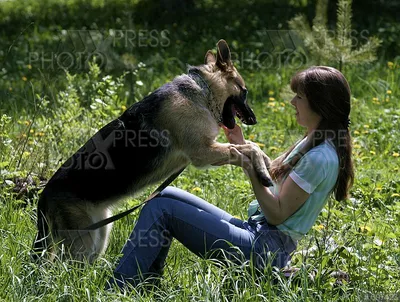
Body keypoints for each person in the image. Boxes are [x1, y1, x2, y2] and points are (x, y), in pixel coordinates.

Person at [107, 66, 354, 289]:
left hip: (263, 251)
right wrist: (241, 144)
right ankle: (147, 283)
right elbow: (275, 178)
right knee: (163, 196)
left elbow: (277, 213)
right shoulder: (313, 140)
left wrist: (248, 165)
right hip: (258, 234)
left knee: (163, 209)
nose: (292, 101)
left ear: (320, 105)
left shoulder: (321, 157)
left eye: (299, 97)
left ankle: (117, 289)